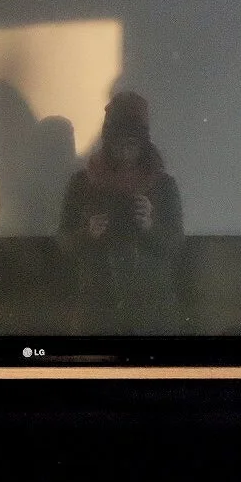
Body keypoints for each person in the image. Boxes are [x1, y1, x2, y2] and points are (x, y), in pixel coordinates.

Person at [57, 92, 184, 333]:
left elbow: (175, 245)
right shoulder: (83, 183)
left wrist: (150, 226)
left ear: (143, 144)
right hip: (97, 310)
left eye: (132, 144)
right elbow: (65, 242)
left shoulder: (162, 185)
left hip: (152, 312)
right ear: (108, 142)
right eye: (118, 144)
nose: (125, 152)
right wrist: (88, 234)